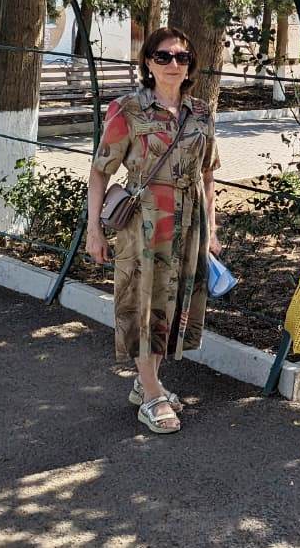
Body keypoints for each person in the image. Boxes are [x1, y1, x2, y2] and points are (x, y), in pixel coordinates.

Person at [86, 26, 221, 435]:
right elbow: (100, 171)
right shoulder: (127, 109)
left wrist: (212, 229)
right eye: (163, 56)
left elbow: (208, 175)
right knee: (142, 301)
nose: (173, 63)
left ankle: (147, 383)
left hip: (189, 222)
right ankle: (151, 393)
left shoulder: (201, 112)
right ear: (148, 62)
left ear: (190, 65)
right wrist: (94, 230)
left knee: (171, 303)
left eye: (181, 57)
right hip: (144, 222)